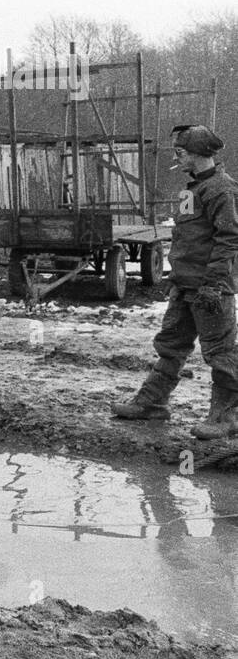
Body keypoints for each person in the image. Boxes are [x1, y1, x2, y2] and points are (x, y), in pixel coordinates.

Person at [112, 124, 238, 439]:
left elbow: (229, 239)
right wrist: (176, 276)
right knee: (171, 346)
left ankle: (226, 418)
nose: (176, 157)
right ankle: (153, 404)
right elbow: (184, 237)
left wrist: (213, 284)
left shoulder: (223, 189)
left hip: (210, 289)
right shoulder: (189, 190)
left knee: (220, 353)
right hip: (184, 286)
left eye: (180, 152)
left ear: (197, 153)